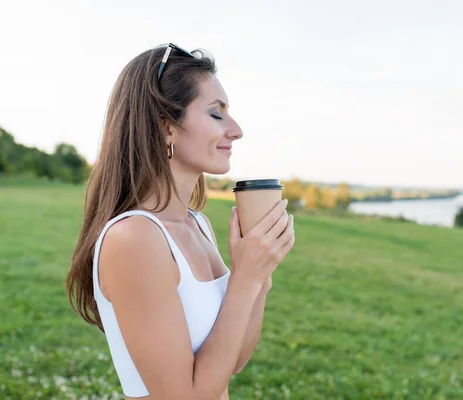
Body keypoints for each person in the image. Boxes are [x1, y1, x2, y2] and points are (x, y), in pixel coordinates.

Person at [65, 43, 295, 399]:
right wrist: (245, 279)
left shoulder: (196, 224)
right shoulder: (134, 238)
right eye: (216, 114)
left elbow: (234, 361)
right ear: (166, 127)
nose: (236, 130)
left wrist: (259, 275)